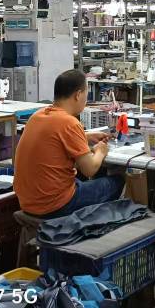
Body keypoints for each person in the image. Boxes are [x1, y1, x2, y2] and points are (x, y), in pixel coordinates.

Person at [13, 70, 120, 218]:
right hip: (55, 205)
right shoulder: (69, 122)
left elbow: (54, 139)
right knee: (116, 182)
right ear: (78, 95)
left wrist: (85, 137)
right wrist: (101, 151)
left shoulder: (38, 116)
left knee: (81, 177)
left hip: (28, 202)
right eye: (86, 94)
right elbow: (90, 169)